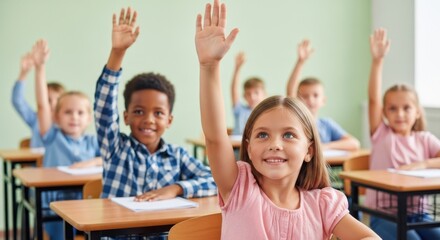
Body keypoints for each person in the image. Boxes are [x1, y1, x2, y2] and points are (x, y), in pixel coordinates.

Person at [195, 0, 380, 239]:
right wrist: (209, 66)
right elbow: (215, 138)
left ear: (309, 150)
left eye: (289, 135)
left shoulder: (323, 203)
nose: (275, 144)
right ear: (249, 148)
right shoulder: (239, 188)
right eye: (262, 135)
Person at [94, 7, 216, 203]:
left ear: (169, 120)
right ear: (126, 117)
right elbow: (104, 108)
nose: (148, 120)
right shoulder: (116, 149)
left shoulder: (177, 157)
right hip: (119, 234)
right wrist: (117, 53)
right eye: (139, 111)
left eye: (158, 113)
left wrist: (176, 189)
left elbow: (216, 181)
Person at [366, 28, 440, 239]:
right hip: (383, 215)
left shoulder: (424, 139)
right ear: (384, 112)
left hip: (419, 214)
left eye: (406, 108)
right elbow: (373, 100)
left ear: (417, 111)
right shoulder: (382, 135)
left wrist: (425, 163)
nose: (399, 114)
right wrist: (377, 61)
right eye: (392, 108)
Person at [33, 39, 102, 240]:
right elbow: (42, 105)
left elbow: (107, 160)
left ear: (89, 118)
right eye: (68, 112)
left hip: (85, 203)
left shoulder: (92, 141)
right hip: (55, 207)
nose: (74, 117)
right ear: (56, 116)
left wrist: (89, 163)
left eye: (80, 113)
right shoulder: (53, 137)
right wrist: (40, 67)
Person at [286, 39, 360, 151]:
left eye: (315, 95)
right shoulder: (295, 122)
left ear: (323, 100)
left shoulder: (326, 124)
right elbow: (290, 92)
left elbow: (354, 143)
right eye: (305, 96)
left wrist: (325, 146)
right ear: (297, 100)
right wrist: (300, 62)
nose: (310, 100)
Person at [11, 50, 65, 148]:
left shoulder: (69, 123)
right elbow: (18, 101)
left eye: (58, 99)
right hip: (38, 162)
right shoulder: (36, 119)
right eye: (48, 100)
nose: (53, 103)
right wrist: (23, 74)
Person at [230, 51, 266, 135]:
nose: (252, 97)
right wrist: (237, 68)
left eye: (256, 93)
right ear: (244, 96)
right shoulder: (240, 110)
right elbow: (234, 90)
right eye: (248, 94)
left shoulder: (267, 113)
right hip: (238, 147)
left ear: (264, 95)